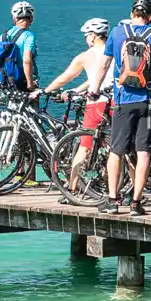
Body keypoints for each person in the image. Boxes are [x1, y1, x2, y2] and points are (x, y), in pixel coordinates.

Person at [102, 0, 151, 215]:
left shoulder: (116, 32)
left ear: (132, 14)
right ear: (150, 17)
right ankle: (135, 203)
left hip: (123, 100)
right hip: (148, 100)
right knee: (143, 153)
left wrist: (94, 88)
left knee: (116, 151)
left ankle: (113, 200)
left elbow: (105, 63)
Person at [45, 17, 113, 183]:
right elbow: (99, 76)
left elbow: (65, 77)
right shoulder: (115, 52)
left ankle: (73, 187)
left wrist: (45, 90)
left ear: (93, 36)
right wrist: (78, 90)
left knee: (85, 146)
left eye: (86, 35)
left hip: (96, 104)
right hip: (114, 102)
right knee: (114, 148)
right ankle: (115, 188)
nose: (85, 39)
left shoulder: (86, 56)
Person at [0, 1, 39, 91]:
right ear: (31, 18)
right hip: (22, 81)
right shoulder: (29, 35)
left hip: (5, 81)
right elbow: (26, 60)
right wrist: (30, 84)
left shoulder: (4, 35)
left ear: (14, 18)